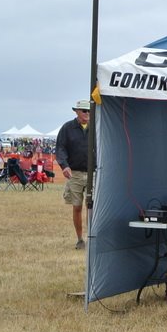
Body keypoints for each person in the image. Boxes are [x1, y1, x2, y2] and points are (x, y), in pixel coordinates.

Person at [56, 100, 90, 249]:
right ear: (76, 111)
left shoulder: (96, 127)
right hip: (74, 173)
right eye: (84, 111)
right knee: (77, 207)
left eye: (89, 111)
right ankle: (80, 239)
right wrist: (64, 166)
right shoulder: (67, 128)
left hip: (93, 172)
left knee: (91, 207)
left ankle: (91, 238)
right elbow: (60, 148)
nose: (87, 114)